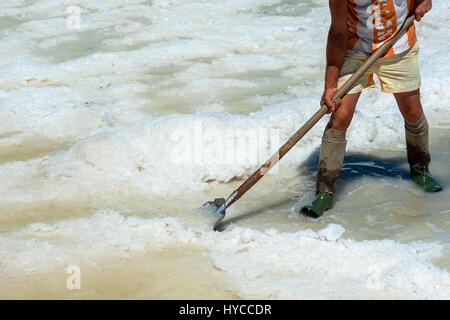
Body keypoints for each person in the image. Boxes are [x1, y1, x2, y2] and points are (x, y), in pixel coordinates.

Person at [301, 0, 441, 218]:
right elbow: (338, 31)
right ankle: (324, 191)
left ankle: (420, 168)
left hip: (399, 45)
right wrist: (330, 84)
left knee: (412, 111)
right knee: (340, 114)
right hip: (355, 49)